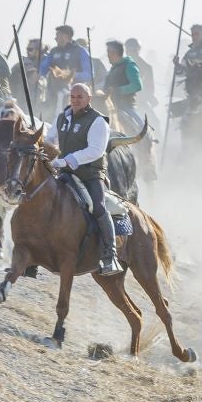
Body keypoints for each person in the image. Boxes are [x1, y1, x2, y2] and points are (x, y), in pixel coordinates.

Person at [45, 81, 120, 276]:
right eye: (73, 97)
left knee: (98, 206)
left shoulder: (98, 121)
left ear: (89, 99)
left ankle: (109, 254)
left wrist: (67, 160)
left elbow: (96, 150)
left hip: (90, 174)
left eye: (80, 97)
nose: (76, 100)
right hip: (64, 173)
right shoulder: (62, 118)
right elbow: (49, 139)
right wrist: (45, 150)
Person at [39, 25, 95, 108]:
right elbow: (42, 70)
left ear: (65, 36)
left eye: (57, 35)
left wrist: (69, 74)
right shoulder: (53, 51)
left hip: (74, 97)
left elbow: (90, 75)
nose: (55, 38)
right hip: (53, 95)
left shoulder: (80, 51)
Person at [102, 39, 146, 134]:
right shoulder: (112, 69)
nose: (107, 55)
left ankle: (146, 140)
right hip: (109, 105)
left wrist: (118, 90)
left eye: (108, 52)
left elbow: (137, 85)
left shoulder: (129, 65)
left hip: (125, 105)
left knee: (141, 128)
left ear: (115, 53)